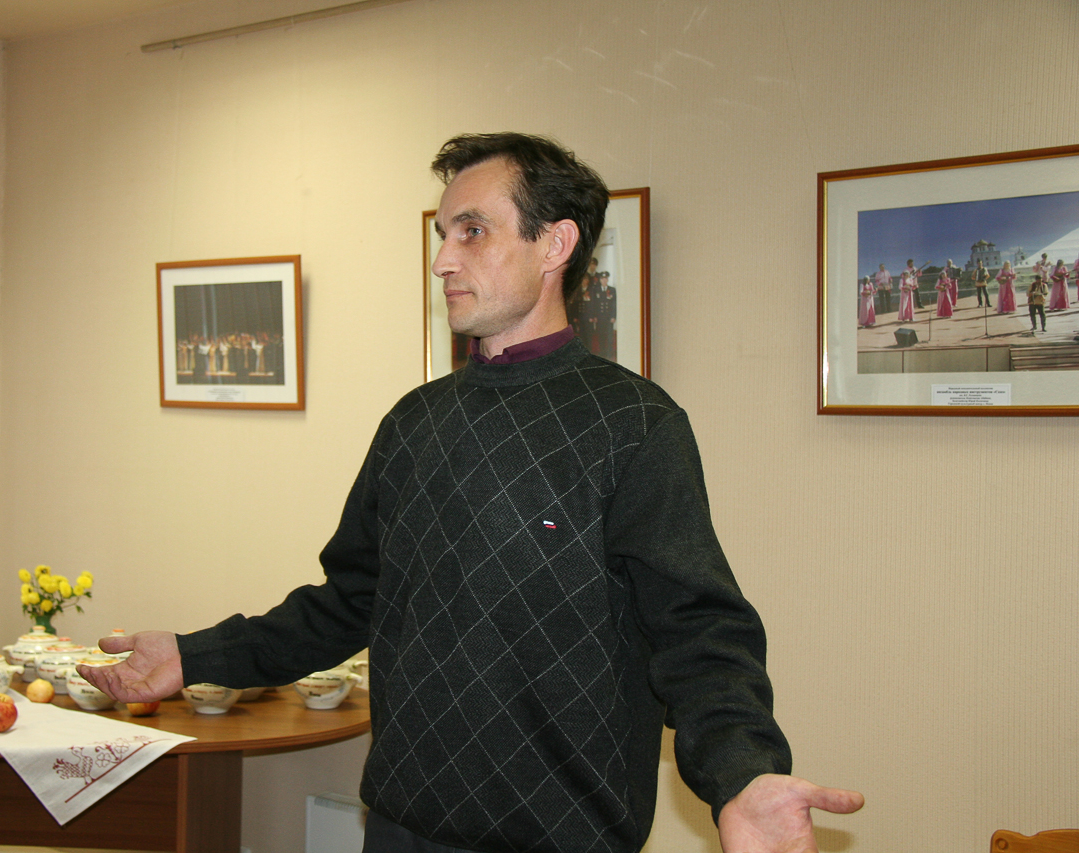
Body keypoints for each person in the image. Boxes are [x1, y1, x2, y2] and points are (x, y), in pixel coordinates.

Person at [79, 132, 863, 853]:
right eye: (442, 234)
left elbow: (698, 632)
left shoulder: (633, 424)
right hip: (400, 829)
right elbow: (347, 603)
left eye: (473, 231)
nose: (442, 260)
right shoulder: (413, 423)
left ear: (555, 243)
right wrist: (194, 654)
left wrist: (743, 773)